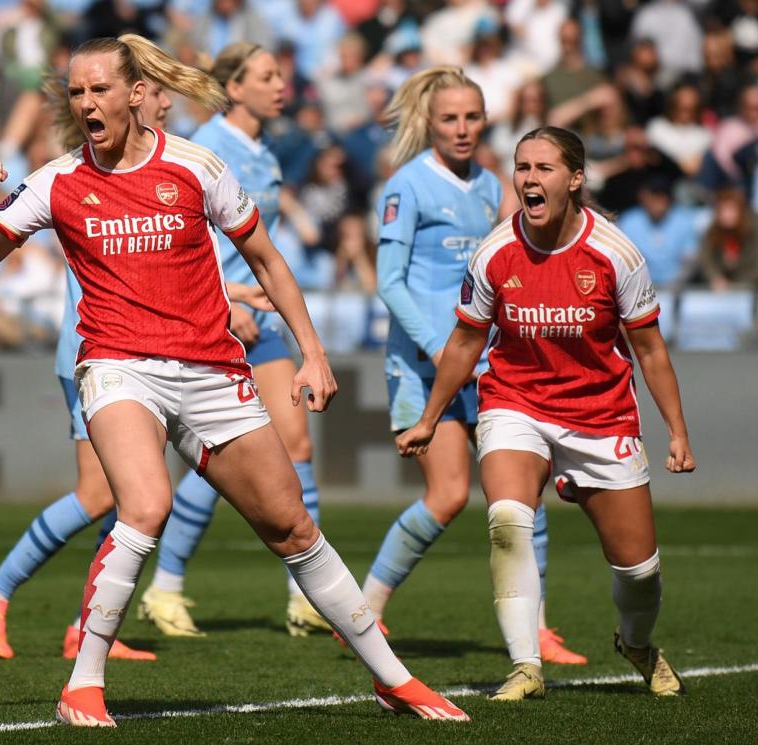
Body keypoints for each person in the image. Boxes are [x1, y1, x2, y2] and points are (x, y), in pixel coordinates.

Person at [0, 33, 468, 727]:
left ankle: (393, 679)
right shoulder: (55, 181)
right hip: (117, 366)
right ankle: (83, 685)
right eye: (76, 91)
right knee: (144, 504)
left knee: (292, 525)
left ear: (136, 95)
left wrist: (311, 351)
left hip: (213, 370)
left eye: (98, 88)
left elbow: (269, 262)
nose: (85, 102)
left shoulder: (195, 166)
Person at [396, 126, 694, 701]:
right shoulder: (493, 253)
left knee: (638, 573)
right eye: (522, 167)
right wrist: (431, 417)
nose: (529, 179)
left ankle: (636, 643)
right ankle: (525, 665)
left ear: (575, 179)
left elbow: (650, 350)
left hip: (599, 415)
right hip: (515, 402)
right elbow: (463, 344)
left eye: (544, 168)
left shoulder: (615, 254)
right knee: (508, 520)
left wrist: (677, 432)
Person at [361, 66, 586, 666]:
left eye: (472, 117)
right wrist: (439, 348)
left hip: (484, 365)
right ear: (429, 123)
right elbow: (389, 282)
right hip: (424, 365)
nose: (463, 129)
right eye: (450, 119)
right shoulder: (406, 186)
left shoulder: (491, 185)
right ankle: (364, 611)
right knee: (448, 496)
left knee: (523, 493)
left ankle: (538, 630)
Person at [0, 77, 176, 662]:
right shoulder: (83, 175)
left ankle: (87, 624)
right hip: (94, 353)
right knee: (101, 494)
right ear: (133, 98)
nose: (165, 104)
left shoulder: (154, 165)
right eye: (154, 93)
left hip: (138, 354)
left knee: (135, 496)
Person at [137, 40, 332, 640]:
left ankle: (303, 596)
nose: (281, 86)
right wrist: (223, 297)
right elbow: (186, 237)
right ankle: (167, 586)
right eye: (267, 76)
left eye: (281, 74)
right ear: (235, 88)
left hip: (259, 317)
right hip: (217, 316)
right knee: (224, 460)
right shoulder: (211, 146)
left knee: (292, 445)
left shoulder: (265, 153)